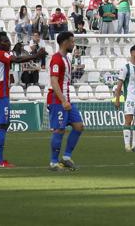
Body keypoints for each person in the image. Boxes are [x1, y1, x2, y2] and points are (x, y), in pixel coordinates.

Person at [0, 30, 48, 168]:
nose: (8, 42)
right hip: (0, 92)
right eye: (5, 41)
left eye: (8, 40)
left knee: (5, 123)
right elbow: (17, 60)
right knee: (2, 124)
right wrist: (36, 55)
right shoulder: (1, 54)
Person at [47, 31, 83, 171]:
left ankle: (66, 158)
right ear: (64, 43)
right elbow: (54, 81)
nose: (73, 45)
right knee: (59, 130)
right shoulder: (56, 59)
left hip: (66, 100)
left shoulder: (67, 59)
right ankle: (53, 163)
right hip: (58, 100)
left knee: (79, 126)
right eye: (72, 42)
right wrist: (63, 100)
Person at [114, 44, 135, 152]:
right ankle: (127, 146)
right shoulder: (125, 68)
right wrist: (117, 99)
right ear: (132, 53)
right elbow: (119, 85)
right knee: (128, 121)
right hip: (130, 98)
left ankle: (134, 145)